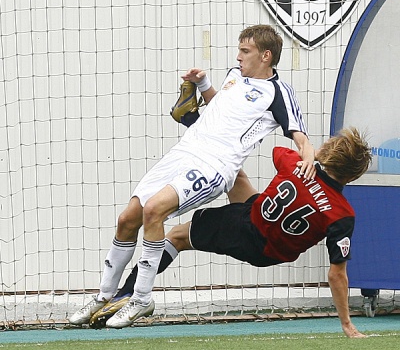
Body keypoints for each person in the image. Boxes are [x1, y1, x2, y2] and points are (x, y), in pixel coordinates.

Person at [69, 24, 314, 327]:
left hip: (214, 166)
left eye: (245, 51)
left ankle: (141, 299)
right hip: (184, 152)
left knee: (154, 210)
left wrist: (308, 160)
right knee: (127, 218)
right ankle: (103, 296)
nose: (238, 56)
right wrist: (203, 84)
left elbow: (301, 138)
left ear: (266, 56)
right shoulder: (234, 75)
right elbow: (221, 108)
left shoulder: (278, 92)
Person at [93, 127, 371, 338]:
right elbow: (337, 274)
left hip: (248, 232)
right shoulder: (342, 214)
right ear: (353, 176)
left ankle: (126, 294)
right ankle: (197, 123)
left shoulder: (294, 164)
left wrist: (310, 157)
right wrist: (346, 324)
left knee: (176, 236)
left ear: (327, 152)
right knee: (233, 173)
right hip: (268, 240)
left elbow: (277, 151)